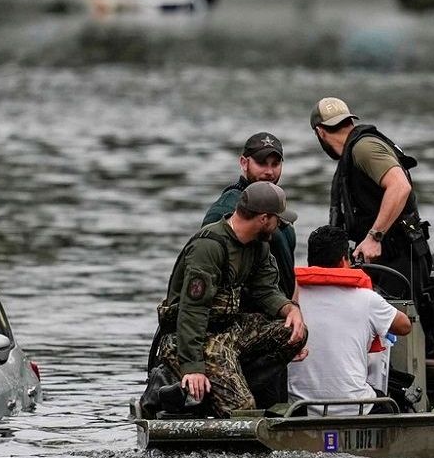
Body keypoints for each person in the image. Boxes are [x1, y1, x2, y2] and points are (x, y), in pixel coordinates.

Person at [152, 181, 308, 417]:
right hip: (192, 338)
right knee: (242, 411)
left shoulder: (258, 246)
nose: (280, 226)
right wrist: (192, 367)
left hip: (228, 332)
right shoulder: (209, 247)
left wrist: (290, 309)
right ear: (264, 219)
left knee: (294, 333)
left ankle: (227, 385)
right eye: (278, 220)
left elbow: (266, 290)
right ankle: (186, 393)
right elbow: (192, 311)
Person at [202, 132, 299, 407]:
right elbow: (211, 273)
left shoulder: (276, 207)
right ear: (244, 163)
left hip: (273, 324)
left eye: (275, 164)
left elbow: (285, 273)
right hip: (243, 331)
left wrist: (293, 317)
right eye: (261, 163)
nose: (269, 171)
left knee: (276, 406)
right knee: (256, 407)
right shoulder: (228, 209)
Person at [309, 97, 432, 309]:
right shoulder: (352, 153)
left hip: (400, 259)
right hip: (383, 260)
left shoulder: (364, 148)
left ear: (320, 132)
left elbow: (400, 186)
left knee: (401, 333)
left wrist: (375, 236)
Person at [288, 225, 411, 416]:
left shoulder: (290, 299)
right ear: (343, 260)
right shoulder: (366, 299)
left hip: (300, 409)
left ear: (310, 261)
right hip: (355, 407)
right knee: (395, 402)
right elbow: (404, 326)